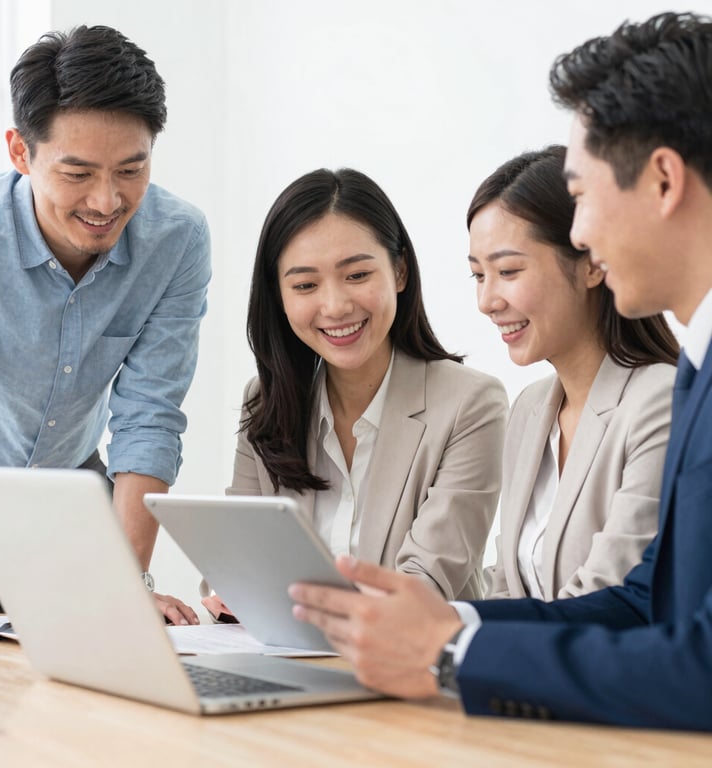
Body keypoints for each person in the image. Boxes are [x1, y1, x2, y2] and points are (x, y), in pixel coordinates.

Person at [289, 11, 712, 729]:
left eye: (580, 194)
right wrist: (445, 619)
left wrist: (451, 652)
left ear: (663, 180)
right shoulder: (697, 374)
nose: (581, 234)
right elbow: (646, 600)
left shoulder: (664, 393)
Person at [0, 25, 211, 638]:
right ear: (20, 152)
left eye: (131, 169)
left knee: (96, 669)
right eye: (78, 173)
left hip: (75, 504)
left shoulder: (177, 239)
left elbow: (150, 414)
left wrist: (130, 583)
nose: (107, 200)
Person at [218, 167, 507, 608]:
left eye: (356, 275)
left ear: (400, 272)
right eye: (305, 285)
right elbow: (238, 555)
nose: (334, 306)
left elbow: (423, 583)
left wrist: (282, 599)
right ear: (279, 297)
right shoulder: (266, 400)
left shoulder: (471, 405)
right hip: (284, 658)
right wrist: (229, 593)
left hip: (407, 667)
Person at [468, 146, 678, 600]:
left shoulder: (659, 402)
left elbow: (607, 597)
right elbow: (508, 586)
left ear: (592, 264)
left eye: (507, 270)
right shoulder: (529, 410)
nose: (487, 301)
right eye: (478, 276)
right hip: (522, 669)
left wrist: (455, 631)